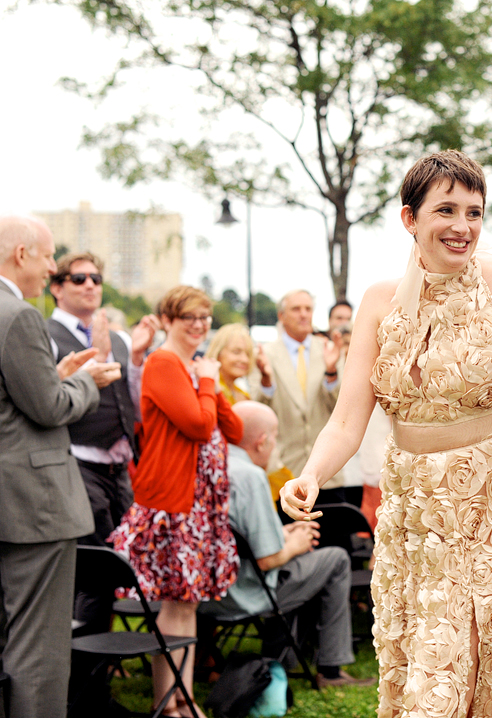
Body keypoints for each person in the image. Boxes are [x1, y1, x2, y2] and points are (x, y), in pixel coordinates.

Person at [280, 150, 492, 716]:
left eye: (474, 212)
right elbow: (349, 419)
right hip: (417, 521)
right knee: (430, 673)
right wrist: (311, 474)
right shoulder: (377, 303)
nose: (462, 227)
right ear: (410, 219)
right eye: (446, 210)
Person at [0, 215, 121, 718]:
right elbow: (48, 408)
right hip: (33, 508)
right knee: (38, 650)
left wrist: (55, 377)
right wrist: (87, 382)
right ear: (22, 254)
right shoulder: (18, 315)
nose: (52, 266)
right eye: (49, 256)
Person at [111, 285, 243, 718]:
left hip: (201, 503)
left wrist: (209, 380)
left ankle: (182, 699)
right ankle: (170, 703)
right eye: (190, 317)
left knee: (187, 604)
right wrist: (206, 381)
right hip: (173, 502)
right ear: (168, 320)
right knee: (173, 602)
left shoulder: (192, 367)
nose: (200, 325)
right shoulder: (164, 363)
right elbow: (199, 426)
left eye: (205, 317)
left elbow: (236, 428)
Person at [199, 401, 374, 688]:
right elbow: (268, 559)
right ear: (262, 440)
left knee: (306, 562)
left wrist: (284, 534)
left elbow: (238, 536)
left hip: (206, 590)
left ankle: (287, 654)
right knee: (336, 559)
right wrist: (296, 543)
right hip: (246, 592)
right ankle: (330, 668)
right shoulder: (250, 476)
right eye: (276, 437)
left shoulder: (209, 464)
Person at [46, 251, 160, 635]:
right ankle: (86, 682)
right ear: (57, 288)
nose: (91, 284)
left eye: (95, 277)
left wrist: (138, 355)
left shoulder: (119, 338)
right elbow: (45, 401)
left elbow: (137, 403)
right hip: (76, 461)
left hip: (120, 467)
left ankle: (103, 665)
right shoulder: (47, 336)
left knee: (121, 561)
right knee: (95, 568)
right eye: (79, 279)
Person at [249, 290, 346, 505]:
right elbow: (257, 410)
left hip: (328, 475)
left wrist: (331, 372)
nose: (303, 314)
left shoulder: (330, 351)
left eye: (308, 309)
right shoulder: (265, 354)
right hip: (285, 473)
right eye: (296, 309)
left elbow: (342, 407)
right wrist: (266, 380)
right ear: (282, 316)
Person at [205, 323, 274, 405]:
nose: (245, 360)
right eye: (236, 352)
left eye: (248, 354)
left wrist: (266, 379)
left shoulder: (243, 395)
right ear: (218, 353)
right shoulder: (206, 390)